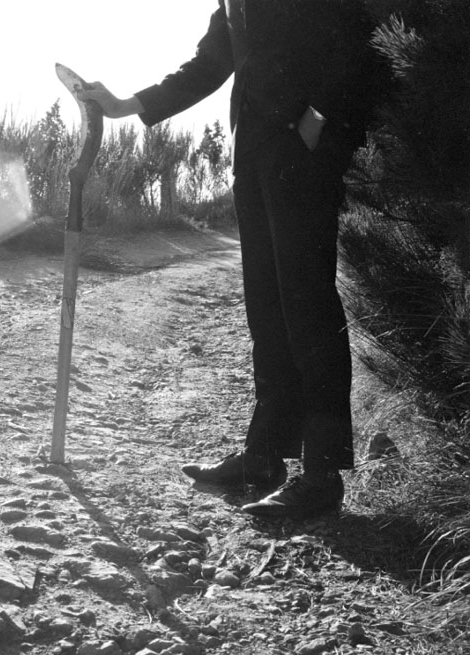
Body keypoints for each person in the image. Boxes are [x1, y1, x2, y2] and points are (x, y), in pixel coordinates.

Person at [80, 0, 376, 519]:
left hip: (307, 148)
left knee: (309, 309)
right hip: (255, 151)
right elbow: (212, 62)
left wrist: (321, 117)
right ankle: (264, 456)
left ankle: (322, 475)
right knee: (267, 308)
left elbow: (357, 37)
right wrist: (128, 103)